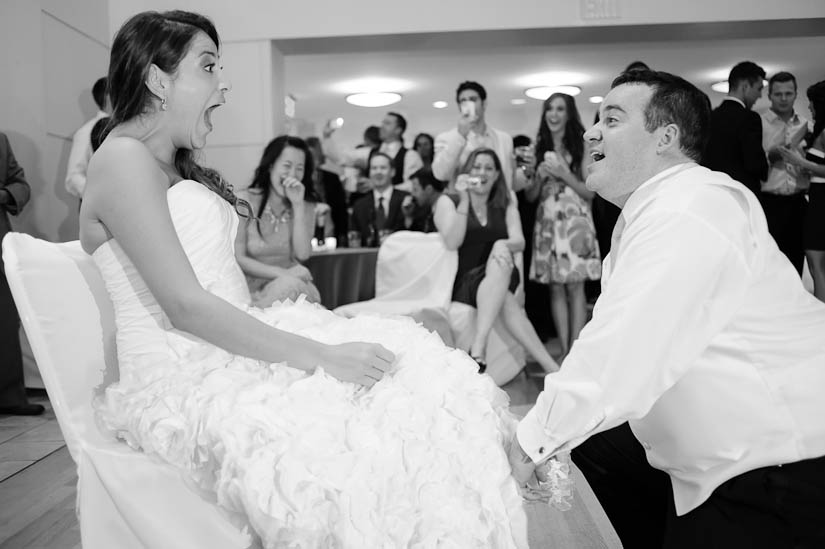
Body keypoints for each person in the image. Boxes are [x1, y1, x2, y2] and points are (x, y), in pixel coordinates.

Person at [79, 11, 534, 546]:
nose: (224, 83)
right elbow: (183, 305)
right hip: (180, 374)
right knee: (370, 421)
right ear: (159, 79)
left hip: (223, 344)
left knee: (417, 375)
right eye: (208, 67)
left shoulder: (171, 166)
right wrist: (323, 357)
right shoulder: (123, 160)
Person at [508, 69, 825, 549]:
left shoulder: (690, 207)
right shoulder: (653, 213)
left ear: (666, 138)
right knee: (592, 449)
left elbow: (623, 347)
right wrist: (560, 439)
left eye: (611, 119)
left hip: (774, 464)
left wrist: (531, 441)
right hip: (706, 455)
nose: (591, 130)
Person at [434, 147, 559, 377]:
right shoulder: (448, 201)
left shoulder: (504, 202)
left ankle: (478, 347)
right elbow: (452, 241)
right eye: (477, 167)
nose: (482, 172)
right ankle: (553, 370)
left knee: (499, 262)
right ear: (466, 172)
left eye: (489, 168)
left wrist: (502, 244)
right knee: (507, 300)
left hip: (502, 272)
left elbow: (519, 241)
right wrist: (464, 200)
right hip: (467, 281)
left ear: (497, 175)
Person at [526, 93, 601, 361]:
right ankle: (565, 350)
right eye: (549, 109)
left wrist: (562, 173)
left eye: (559, 109)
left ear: (569, 113)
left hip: (574, 220)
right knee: (556, 287)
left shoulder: (582, 145)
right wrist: (538, 177)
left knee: (575, 285)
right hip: (547, 221)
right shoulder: (538, 147)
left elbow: (590, 192)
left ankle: (576, 349)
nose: (553, 114)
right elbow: (532, 195)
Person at [234, 136, 321, 306]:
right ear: (271, 166)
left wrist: (298, 205)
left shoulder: (305, 205)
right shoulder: (244, 201)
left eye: (300, 169)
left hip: (292, 283)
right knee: (290, 287)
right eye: (287, 166)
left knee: (297, 290)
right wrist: (282, 274)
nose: (292, 175)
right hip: (253, 287)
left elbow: (302, 254)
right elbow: (238, 257)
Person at [0, 132, 43, 416]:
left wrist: (4, 194)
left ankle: (9, 396)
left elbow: (20, 184)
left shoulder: (0, 140)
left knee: (4, 318)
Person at [433, 81, 530, 191]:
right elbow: (441, 174)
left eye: (473, 100)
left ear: (484, 103)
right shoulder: (446, 138)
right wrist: (460, 136)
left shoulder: (504, 139)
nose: (468, 105)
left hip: (499, 204)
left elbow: (508, 178)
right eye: (463, 101)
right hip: (464, 204)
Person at [758, 71, 810, 275]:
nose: (784, 98)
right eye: (778, 94)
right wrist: (776, 154)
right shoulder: (759, 124)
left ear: (796, 94)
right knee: (771, 265)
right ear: (769, 95)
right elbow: (755, 163)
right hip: (770, 202)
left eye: (789, 93)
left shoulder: (807, 124)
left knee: (798, 262)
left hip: (799, 202)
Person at [779, 80, 825, 302]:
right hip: (815, 199)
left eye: (812, 103)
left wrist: (801, 162)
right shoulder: (815, 130)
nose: (809, 108)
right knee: (815, 262)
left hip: (822, 201)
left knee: (817, 262)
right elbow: (788, 148)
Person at [702, 61, 768, 194]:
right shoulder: (750, 118)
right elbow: (755, 164)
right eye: (759, 88)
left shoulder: (709, 117)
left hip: (713, 191)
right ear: (745, 87)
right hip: (742, 193)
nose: (760, 95)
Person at [349, 152, 412, 247]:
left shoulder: (406, 200)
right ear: (369, 173)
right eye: (374, 168)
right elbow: (354, 238)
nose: (378, 172)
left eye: (383, 168)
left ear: (393, 172)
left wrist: (408, 217)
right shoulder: (359, 205)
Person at [65, 76, 109, 199]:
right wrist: (102, 197)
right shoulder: (86, 132)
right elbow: (73, 178)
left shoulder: (129, 127)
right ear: (108, 97)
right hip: (97, 208)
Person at [305, 136, 348, 246]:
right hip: (308, 230)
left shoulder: (332, 178)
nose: (313, 160)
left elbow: (341, 208)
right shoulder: (299, 180)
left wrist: (343, 234)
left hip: (331, 228)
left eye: (315, 156)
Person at [406, 166, 446, 233]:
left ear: (429, 189)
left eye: (415, 190)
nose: (412, 194)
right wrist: (408, 215)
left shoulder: (446, 208)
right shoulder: (425, 209)